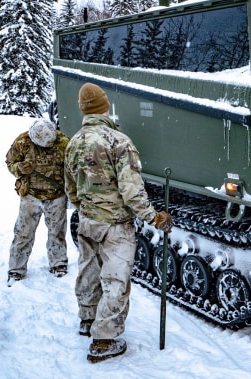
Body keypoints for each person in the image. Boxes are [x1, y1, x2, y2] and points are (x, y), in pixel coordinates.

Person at [64, 82, 173, 363]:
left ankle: (88, 320)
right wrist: (154, 217)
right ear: (105, 107)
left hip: (88, 221)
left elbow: (71, 189)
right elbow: (131, 190)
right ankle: (103, 340)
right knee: (115, 279)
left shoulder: (73, 142)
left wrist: (88, 208)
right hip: (116, 224)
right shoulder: (118, 141)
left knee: (88, 271)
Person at [5, 119, 70, 286]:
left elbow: (74, 168)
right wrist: (20, 168)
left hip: (56, 196)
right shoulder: (22, 142)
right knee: (23, 233)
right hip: (31, 196)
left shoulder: (64, 143)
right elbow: (10, 162)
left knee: (57, 233)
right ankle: (16, 269)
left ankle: (58, 264)